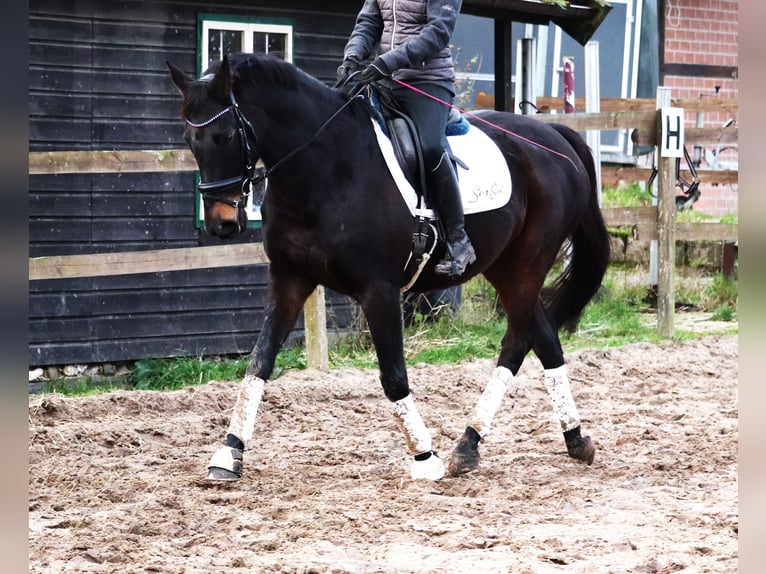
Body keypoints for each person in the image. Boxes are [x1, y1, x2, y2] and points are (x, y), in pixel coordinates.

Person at [337, 0, 476, 278]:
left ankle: (459, 239)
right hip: (384, 82)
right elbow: (369, 23)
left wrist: (387, 61)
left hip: (428, 81)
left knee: (430, 148)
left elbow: (438, 32)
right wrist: (352, 56)